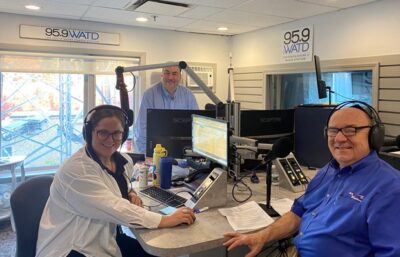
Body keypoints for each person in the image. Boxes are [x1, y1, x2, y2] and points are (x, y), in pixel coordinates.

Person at [223, 101, 400, 257]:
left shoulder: (390, 188)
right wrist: (261, 236)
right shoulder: (327, 171)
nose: (339, 138)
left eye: (350, 130)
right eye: (333, 130)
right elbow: (297, 214)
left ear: (374, 135)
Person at [36, 105, 196, 257]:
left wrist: (130, 193)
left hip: (105, 238)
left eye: (117, 133)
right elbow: (114, 207)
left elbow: (115, 186)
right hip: (74, 247)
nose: (110, 139)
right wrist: (165, 220)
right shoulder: (77, 171)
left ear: (124, 134)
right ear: (89, 133)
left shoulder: (121, 161)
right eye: (102, 132)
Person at [134, 65, 198, 154]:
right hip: (155, 151)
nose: (170, 77)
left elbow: (196, 126)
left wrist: (194, 153)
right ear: (162, 75)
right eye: (167, 73)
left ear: (180, 76)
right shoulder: (149, 95)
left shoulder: (188, 96)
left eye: (174, 74)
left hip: (182, 151)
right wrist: (146, 154)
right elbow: (142, 128)